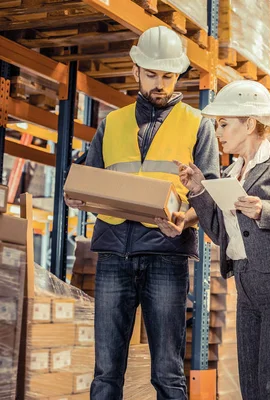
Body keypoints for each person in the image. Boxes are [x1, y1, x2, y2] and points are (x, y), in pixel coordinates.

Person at [64, 26, 220, 399]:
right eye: (152, 74)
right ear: (136, 71)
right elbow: (92, 184)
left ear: (178, 75)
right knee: (105, 374)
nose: (160, 84)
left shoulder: (198, 125)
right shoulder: (111, 124)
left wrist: (187, 218)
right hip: (115, 254)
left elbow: (209, 195)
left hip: (167, 255)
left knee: (167, 373)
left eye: (168, 76)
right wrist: (78, 198)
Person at [174, 80, 270, 400]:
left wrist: (264, 210)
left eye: (224, 124)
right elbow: (218, 232)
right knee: (252, 390)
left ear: (249, 124)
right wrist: (199, 189)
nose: (219, 133)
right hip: (246, 285)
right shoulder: (230, 175)